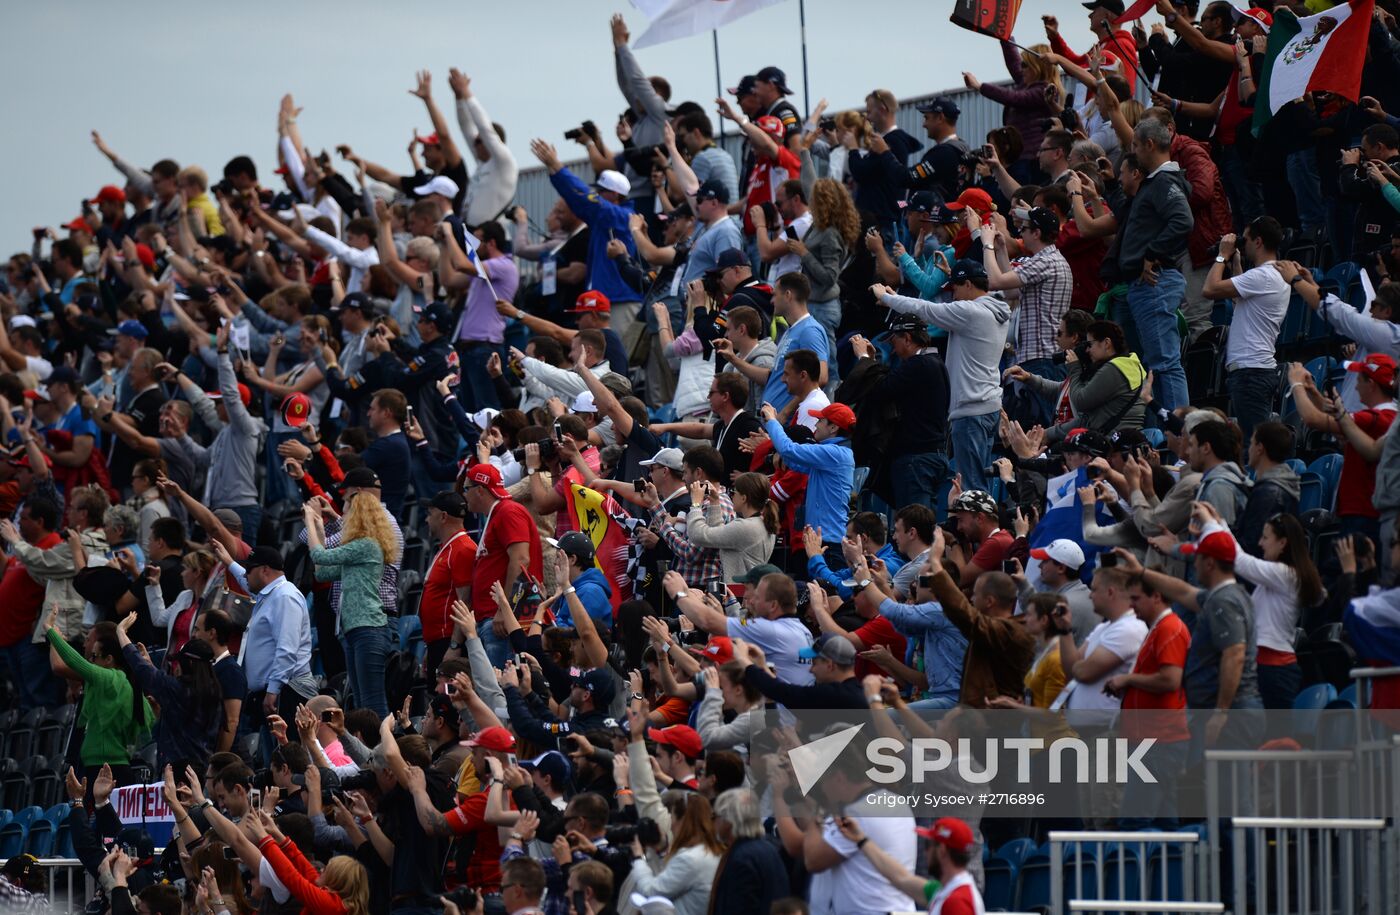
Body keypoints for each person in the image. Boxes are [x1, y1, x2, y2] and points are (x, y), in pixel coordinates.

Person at [873, 258, 1010, 494]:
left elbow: (926, 310)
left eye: (954, 288)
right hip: (987, 407)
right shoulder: (996, 309)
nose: (953, 296)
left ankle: (986, 531)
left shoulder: (971, 311)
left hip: (971, 412)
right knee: (980, 484)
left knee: (973, 489)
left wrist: (888, 298)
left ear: (968, 284)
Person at [1195, 504, 1319, 712]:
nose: (1260, 543)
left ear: (1282, 543)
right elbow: (1241, 556)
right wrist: (1220, 524)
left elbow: (1239, 561)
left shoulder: (1285, 575)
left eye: (1265, 538)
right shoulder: (1276, 578)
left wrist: (1209, 524)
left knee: (1270, 740)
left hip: (1274, 671)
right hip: (1266, 667)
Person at [1117, 117, 1194, 409]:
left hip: (1154, 283)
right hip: (1146, 285)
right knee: (1157, 363)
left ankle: (1178, 432)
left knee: (1164, 362)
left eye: (1135, 145)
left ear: (1149, 145)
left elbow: (1183, 220)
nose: (1132, 151)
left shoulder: (1164, 181)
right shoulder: (1155, 183)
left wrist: (1152, 253)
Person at [305, 484, 399, 719]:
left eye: (346, 510)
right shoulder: (359, 547)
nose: (343, 515)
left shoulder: (365, 545)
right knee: (359, 702)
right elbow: (322, 572)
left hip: (369, 629)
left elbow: (319, 555)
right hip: (354, 631)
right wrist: (318, 526)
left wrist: (309, 519)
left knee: (372, 703)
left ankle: (383, 751)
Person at [917, 529, 1036, 706]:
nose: (971, 598)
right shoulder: (1003, 627)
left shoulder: (1010, 631)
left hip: (997, 722)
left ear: (989, 601)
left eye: (975, 594)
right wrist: (1024, 585)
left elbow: (967, 616)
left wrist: (936, 563)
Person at [224, 544, 317, 761]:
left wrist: (273, 690)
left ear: (265, 570)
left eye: (249, 570)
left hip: (287, 692)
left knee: (291, 761)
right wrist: (228, 561)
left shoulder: (285, 597)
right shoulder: (271, 594)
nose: (245, 576)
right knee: (276, 762)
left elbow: (287, 649)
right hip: (274, 693)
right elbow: (247, 584)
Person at [849, 314, 950, 510]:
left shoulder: (919, 364)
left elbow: (880, 389)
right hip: (931, 456)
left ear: (907, 338)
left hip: (916, 459)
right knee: (920, 524)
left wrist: (864, 358)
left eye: (894, 340)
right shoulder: (935, 362)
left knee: (913, 527)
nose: (892, 348)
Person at [1202, 218, 1289, 443]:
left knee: (1257, 445)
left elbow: (1209, 289)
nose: (1244, 244)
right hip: (1255, 370)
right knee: (1256, 442)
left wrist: (1222, 255)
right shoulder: (1272, 275)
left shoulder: (1263, 276)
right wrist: (1236, 265)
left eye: (1246, 239)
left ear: (1258, 241)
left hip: (1251, 372)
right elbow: (1238, 297)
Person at [45, 613, 151, 785]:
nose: (90, 661)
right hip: (104, 767)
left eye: (94, 656)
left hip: (106, 769)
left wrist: (51, 632)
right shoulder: (119, 682)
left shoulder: (109, 678)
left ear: (109, 659)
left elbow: (73, 661)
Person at [114, 611, 223, 767]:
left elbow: (141, 669)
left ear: (190, 664)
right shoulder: (214, 692)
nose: (176, 667)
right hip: (202, 771)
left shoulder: (178, 689)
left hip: (176, 772)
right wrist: (150, 665)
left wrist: (121, 632)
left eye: (180, 662)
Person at [463, 461, 543, 668]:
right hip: (492, 617)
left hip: (500, 619)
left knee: (501, 690)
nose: (464, 495)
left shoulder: (508, 511)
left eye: (466, 489)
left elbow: (521, 559)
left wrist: (504, 609)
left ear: (480, 490)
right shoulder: (499, 513)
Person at [761, 402, 854, 557]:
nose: (816, 424)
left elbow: (789, 450)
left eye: (821, 420)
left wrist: (772, 421)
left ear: (833, 428)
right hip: (821, 541)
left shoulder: (835, 454)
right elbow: (793, 461)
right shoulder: (833, 456)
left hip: (828, 544)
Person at [838, 816, 984, 915]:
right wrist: (861, 840)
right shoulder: (946, 891)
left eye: (928, 845)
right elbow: (901, 878)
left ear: (942, 851)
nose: (924, 852)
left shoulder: (956, 902)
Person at [681, 471, 778, 581]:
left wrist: (696, 504)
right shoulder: (761, 523)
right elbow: (719, 534)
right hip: (748, 591)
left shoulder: (746, 527)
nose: (731, 495)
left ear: (743, 498)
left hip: (739, 594)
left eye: (734, 492)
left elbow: (698, 535)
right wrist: (714, 502)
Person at [420, 490, 476, 675]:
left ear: (443, 516)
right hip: (438, 641)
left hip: (447, 641)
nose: (426, 520)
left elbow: (465, 601)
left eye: (430, 514)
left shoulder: (462, 549)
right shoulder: (449, 547)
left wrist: (454, 645)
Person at [1028, 538, 1097, 643]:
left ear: (1061, 568)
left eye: (1045, 561)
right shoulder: (1086, 595)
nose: (1039, 565)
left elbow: (1041, 645)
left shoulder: (1062, 605)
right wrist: (1022, 584)